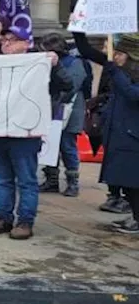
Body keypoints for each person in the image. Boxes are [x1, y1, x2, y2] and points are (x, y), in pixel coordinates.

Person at [0, 25, 72, 240]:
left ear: (26, 44)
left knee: (25, 179)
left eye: (12, 40)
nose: (6, 44)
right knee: (3, 179)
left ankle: (25, 221)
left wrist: (56, 65)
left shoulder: (40, 64)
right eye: (4, 40)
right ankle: (4, 217)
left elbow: (68, 85)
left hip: (25, 132)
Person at [73, 31, 139, 235]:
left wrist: (115, 72)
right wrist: (78, 28)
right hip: (115, 132)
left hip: (132, 136)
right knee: (121, 181)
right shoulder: (116, 67)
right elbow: (86, 51)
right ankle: (136, 216)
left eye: (120, 54)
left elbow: (132, 94)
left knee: (132, 182)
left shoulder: (122, 73)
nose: (115, 57)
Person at [38, 33, 89, 197]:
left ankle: (72, 181)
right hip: (52, 106)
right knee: (50, 145)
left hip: (70, 109)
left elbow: (71, 86)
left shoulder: (75, 63)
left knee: (67, 146)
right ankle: (51, 179)